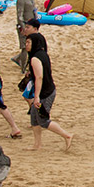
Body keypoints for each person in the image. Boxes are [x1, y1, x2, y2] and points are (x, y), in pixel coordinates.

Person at [19, 21, 73, 152]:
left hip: (45, 93)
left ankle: (67, 135)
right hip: (47, 89)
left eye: (28, 43)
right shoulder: (42, 54)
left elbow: (39, 77)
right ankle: (37, 144)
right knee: (34, 118)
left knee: (43, 120)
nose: (26, 45)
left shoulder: (36, 58)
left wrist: (36, 97)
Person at [10, 0, 37, 73]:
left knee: (30, 46)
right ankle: (23, 68)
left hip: (31, 25)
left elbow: (34, 11)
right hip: (25, 25)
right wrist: (23, 27)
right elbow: (19, 15)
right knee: (24, 48)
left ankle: (18, 59)